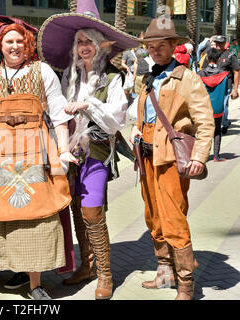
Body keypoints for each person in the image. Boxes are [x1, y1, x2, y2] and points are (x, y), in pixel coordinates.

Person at [0, 15, 77, 300]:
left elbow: (60, 113)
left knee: (36, 213)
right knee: (6, 211)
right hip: (0, 152)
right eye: (9, 42)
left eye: (19, 42)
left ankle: (36, 283)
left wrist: (63, 150)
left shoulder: (43, 71)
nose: (14, 47)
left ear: (28, 46)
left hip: (36, 149)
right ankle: (15, 268)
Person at [38, 0, 138, 300]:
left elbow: (115, 119)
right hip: (69, 151)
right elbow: (58, 112)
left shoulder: (113, 78)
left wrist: (88, 104)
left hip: (96, 151)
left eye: (89, 42)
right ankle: (87, 266)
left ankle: (105, 274)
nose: (83, 47)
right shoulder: (68, 77)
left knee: (92, 211)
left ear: (100, 46)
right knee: (76, 212)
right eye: (79, 42)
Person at [129, 17, 215, 300]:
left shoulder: (187, 78)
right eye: (151, 46)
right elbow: (144, 113)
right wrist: (135, 128)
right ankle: (165, 274)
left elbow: (205, 121)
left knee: (174, 219)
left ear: (172, 46)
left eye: (161, 45)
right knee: (153, 217)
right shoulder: (149, 76)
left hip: (170, 159)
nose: (155, 50)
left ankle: (187, 286)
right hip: (146, 157)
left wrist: (200, 157)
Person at [198, 48, 229, 162]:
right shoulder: (224, 75)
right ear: (218, 59)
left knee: (203, 132)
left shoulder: (200, 74)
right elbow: (226, 92)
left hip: (204, 107)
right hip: (218, 108)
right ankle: (216, 156)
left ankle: (203, 156)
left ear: (206, 58)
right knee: (217, 131)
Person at [211, 35, 239, 135]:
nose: (218, 45)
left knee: (223, 106)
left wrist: (235, 89)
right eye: (216, 43)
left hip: (226, 86)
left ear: (224, 44)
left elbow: (236, 72)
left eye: (220, 43)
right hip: (213, 86)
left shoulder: (231, 55)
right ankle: (225, 123)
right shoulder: (212, 54)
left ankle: (223, 123)